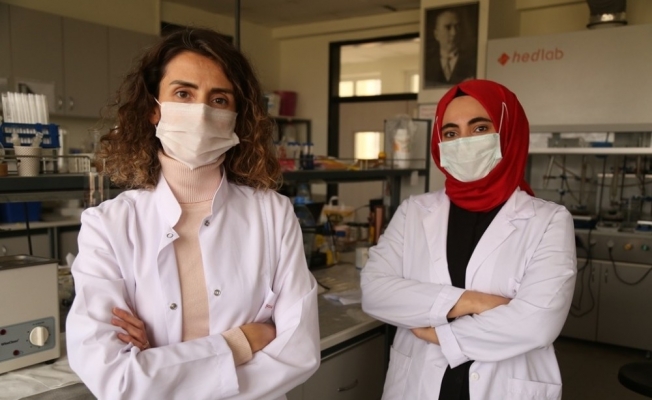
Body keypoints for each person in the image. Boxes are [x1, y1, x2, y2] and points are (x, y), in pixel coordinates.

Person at [66, 27, 320, 400]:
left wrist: (160, 365)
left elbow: (298, 354)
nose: (201, 112)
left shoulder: (273, 213)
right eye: (183, 94)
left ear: (236, 116)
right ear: (154, 109)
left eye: (219, 99)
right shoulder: (108, 225)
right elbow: (116, 379)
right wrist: (243, 340)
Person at [361, 79, 576, 400]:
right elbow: (375, 292)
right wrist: (472, 302)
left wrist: (439, 334)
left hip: (503, 386)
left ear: (509, 132)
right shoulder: (414, 212)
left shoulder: (549, 220)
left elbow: (537, 323)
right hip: (418, 383)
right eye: (450, 133)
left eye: (479, 128)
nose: (463, 142)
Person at [424, 8, 477, 88]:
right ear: (436, 34)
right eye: (448, 27)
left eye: (457, 27)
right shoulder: (427, 65)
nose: (454, 33)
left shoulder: (472, 62)